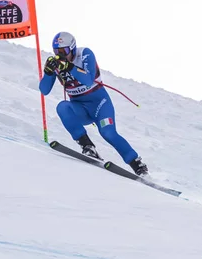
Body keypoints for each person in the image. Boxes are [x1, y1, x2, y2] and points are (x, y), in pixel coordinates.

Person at [39, 31, 149, 176]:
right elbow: (44, 90)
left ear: (72, 48)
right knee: (62, 107)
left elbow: (88, 80)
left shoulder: (84, 54)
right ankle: (88, 146)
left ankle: (137, 164)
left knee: (107, 133)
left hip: (100, 105)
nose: (60, 55)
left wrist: (70, 67)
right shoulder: (56, 63)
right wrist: (48, 72)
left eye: (64, 51)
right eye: (56, 52)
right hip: (80, 108)